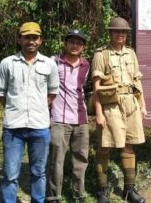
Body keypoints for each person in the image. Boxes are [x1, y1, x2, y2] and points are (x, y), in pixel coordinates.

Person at [0, 22, 59, 203]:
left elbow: (53, 91)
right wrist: (14, 107)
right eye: (27, 37)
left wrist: (39, 106)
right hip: (13, 127)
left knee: (39, 172)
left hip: (39, 126)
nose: (31, 41)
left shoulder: (49, 64)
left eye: (35, 37)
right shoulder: (7, 63)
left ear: (40, 40)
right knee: (10, 173)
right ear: (19, 39)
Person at [91, 17, 147, 203]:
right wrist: (98, 113)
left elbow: (137, 82)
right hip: (111, 105)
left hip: (131, 103)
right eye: (116, 31)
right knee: (105, 146)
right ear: (110, 33)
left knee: (129, 145)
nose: (120, 34)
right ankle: (102, 190)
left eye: (123, 32)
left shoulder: (131, 54)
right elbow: (96, 87)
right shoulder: (102, 54)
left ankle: (129, 189)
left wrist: (142, 105)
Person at [46, 30, 90, 203]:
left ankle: (79, 195)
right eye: (71, 41)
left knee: (81, 160)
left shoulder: (86, 65)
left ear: (83, 47)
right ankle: (53, 195)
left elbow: (84, 89)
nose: (75, 45)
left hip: (81, 120)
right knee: (56, 160)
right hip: (58, 119)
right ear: (65, 44)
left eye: (79, 43)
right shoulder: (53, 62)